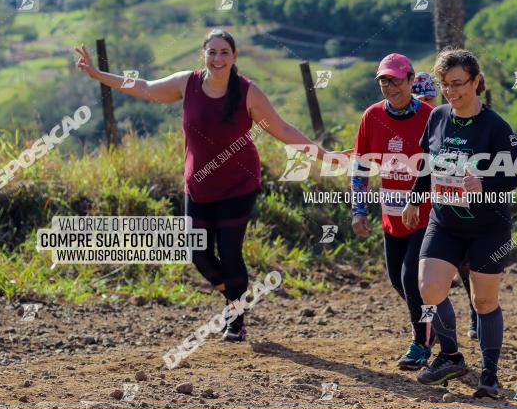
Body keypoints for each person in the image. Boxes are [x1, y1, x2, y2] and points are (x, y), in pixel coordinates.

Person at [75, 29, 332, 342]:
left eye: (224, 52)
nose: (218, 58)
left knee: (229, 250)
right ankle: (234, 299)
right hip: (198, 183)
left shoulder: (247, 91)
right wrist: (98, 74)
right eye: (212, 52)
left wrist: (324, 156)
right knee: (197, 252)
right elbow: (142, 87)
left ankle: (235, 318)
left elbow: (280, 128)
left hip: (238, 184)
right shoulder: (187, 83)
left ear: (234, 57)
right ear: (203, 55)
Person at [402, 48, 517, 398]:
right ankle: (451, 356)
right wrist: (415, 197)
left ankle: (489, 375)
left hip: (488, 226)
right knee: (428, 286)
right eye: (444, 85)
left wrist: (485, 182)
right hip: (446, 221)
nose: (451, 92)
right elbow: (427, 164)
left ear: (476, 82)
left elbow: (512, 176)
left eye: (458, 84)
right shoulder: (438, 117)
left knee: (484, 302)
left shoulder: (496, 127)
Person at [350, 54, 437, 370]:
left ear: (412, 80)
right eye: (384, 81)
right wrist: (359, 210)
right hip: (392, 215)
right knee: (397, 282)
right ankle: (434, 323)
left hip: (426, 215)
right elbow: (359, 167)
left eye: (396, 80)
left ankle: (421, 344)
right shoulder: (371, 117)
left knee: (410, 279)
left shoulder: (432, 117)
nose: (390, 86)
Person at [414, 71, 478, 339]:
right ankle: (429, 333)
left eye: (429, 97)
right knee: (421, 275)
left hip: (451, 203)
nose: (425, 102)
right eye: (420, 99)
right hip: (422, 202)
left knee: (464, 263)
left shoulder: (447, 118)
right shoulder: (418, 119)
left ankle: (476, 312)